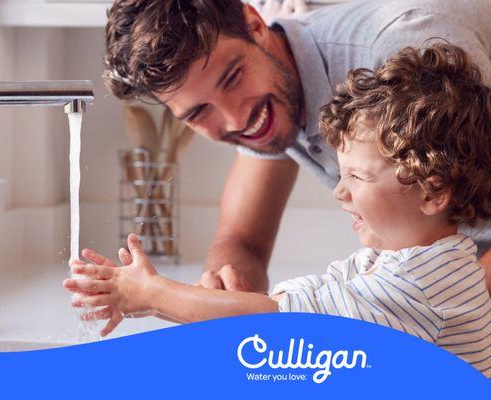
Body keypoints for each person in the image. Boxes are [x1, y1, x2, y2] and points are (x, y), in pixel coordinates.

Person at [65, 43, 491, 377]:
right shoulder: (395, 263)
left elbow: (282, 322)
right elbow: (288, 303)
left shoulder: (419, 287)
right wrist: (149, 303)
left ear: (433, 193)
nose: (339, 193)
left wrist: (152, 291)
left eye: (357, 178)